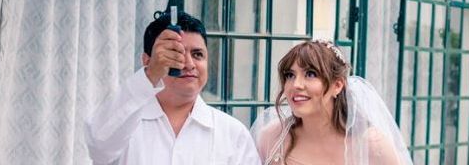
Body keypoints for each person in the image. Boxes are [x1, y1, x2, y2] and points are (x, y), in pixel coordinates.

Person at [85, 11, 261, 165]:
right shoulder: (124, 122)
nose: (189, 64)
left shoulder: (233, 134)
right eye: (177, 54)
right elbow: (98, 146)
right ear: (147, 60)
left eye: (198, 54)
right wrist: (151, 74)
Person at [252, 40, 412, 165]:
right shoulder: (271, 137)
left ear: (337, 85)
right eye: (290, 75)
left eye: (310, 74)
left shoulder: (372, 145)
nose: (296, 85)